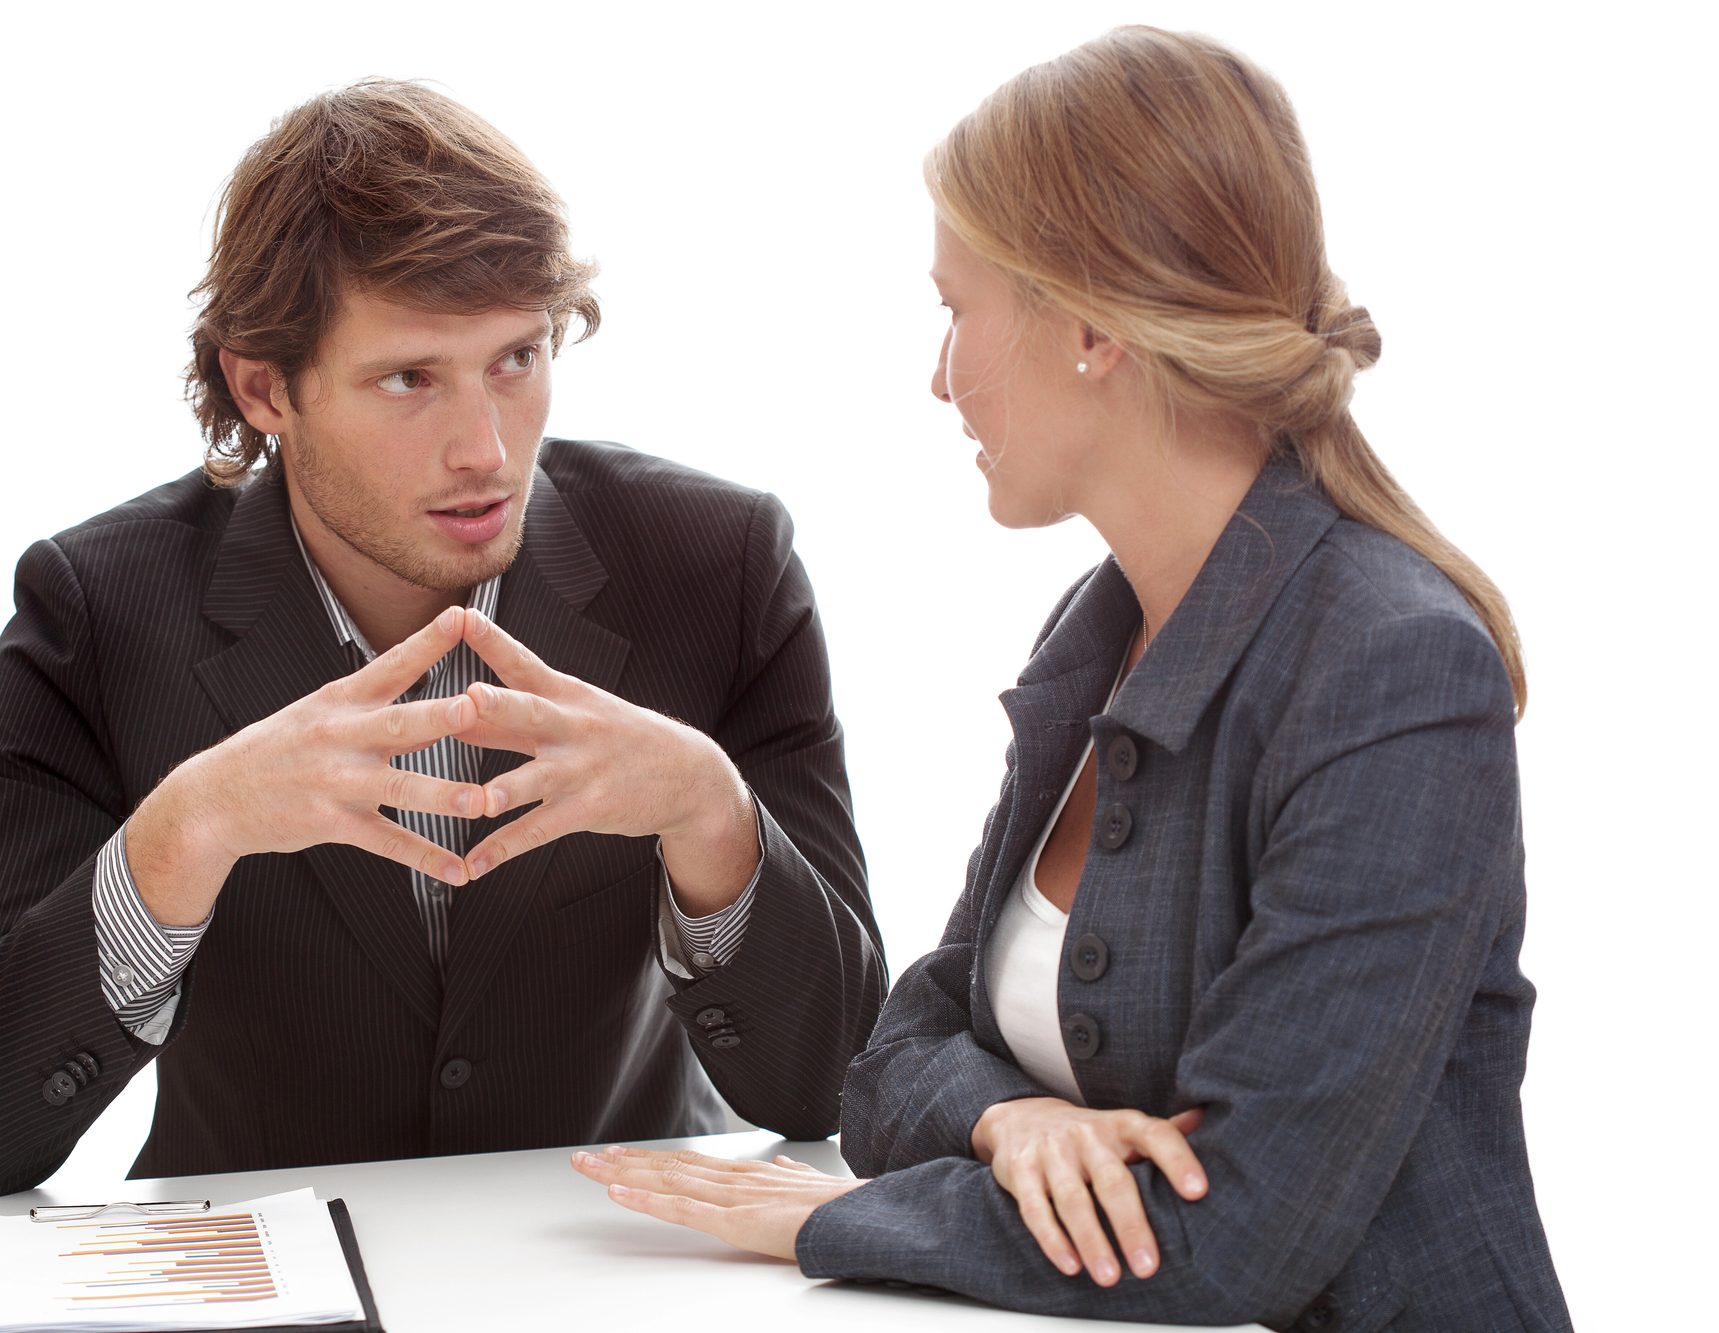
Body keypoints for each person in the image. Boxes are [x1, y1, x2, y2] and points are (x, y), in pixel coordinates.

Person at [570, 27, 1571, 1333]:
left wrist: (827, 1220)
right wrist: (1012, 1118)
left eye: (955, 308)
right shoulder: (1101, 631)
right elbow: (896, 1059)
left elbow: (1244, 1227)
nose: (939, 377)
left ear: (1091, 324)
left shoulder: (1396, 671)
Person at [0, 80, 886, 1199]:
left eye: (515, 359)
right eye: (409, 377)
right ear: (262, 384)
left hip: (617, 1267)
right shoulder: (97, 610)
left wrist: (711, 815)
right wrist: (185, 830)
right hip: (261, 1285)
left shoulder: (720, 567)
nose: (486, 450)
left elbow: (834, 1091)